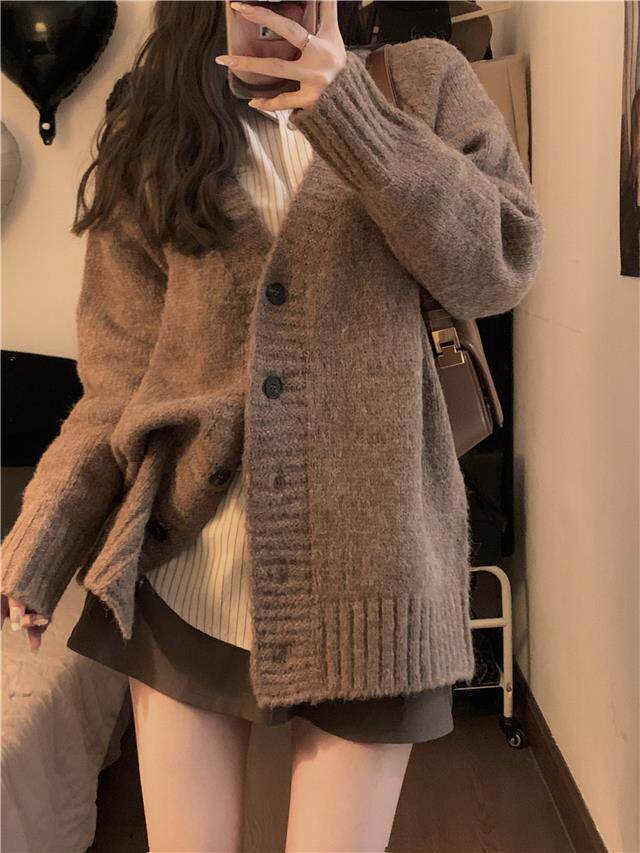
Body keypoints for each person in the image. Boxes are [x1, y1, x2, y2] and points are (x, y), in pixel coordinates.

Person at [1, 2, 545, 850]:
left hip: (375, 585)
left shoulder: (425, 81)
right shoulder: (155, 118)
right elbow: (118, 378)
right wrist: (47, 529)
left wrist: (348, 111)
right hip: (189, 574)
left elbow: (500, 263)